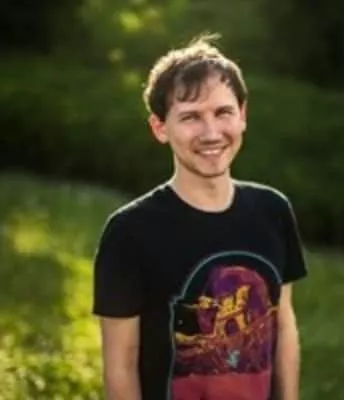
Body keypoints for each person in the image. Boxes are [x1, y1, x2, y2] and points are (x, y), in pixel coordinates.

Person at [92, 33, 307, 400]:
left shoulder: (273, 211)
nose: (211, 133)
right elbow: (120, 365)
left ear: (243, 115)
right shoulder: (129, 232)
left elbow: (283, 325)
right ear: (160, 128)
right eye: (190, 117)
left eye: (223, 112)